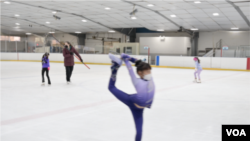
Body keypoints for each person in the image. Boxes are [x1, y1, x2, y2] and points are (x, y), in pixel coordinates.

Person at [108, 53, 155, 141]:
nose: (150, 73)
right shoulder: (136, 81)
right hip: (131, 101)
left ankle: (115, 66)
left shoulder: (149, 78)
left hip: (139, 110)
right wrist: (126, 60)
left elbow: (138, 62)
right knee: (111, 87)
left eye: (150, 71)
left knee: (139, 132)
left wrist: (129, 57)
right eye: (147, 71)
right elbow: (130, 70)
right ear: (140, 73)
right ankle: (115, 68)